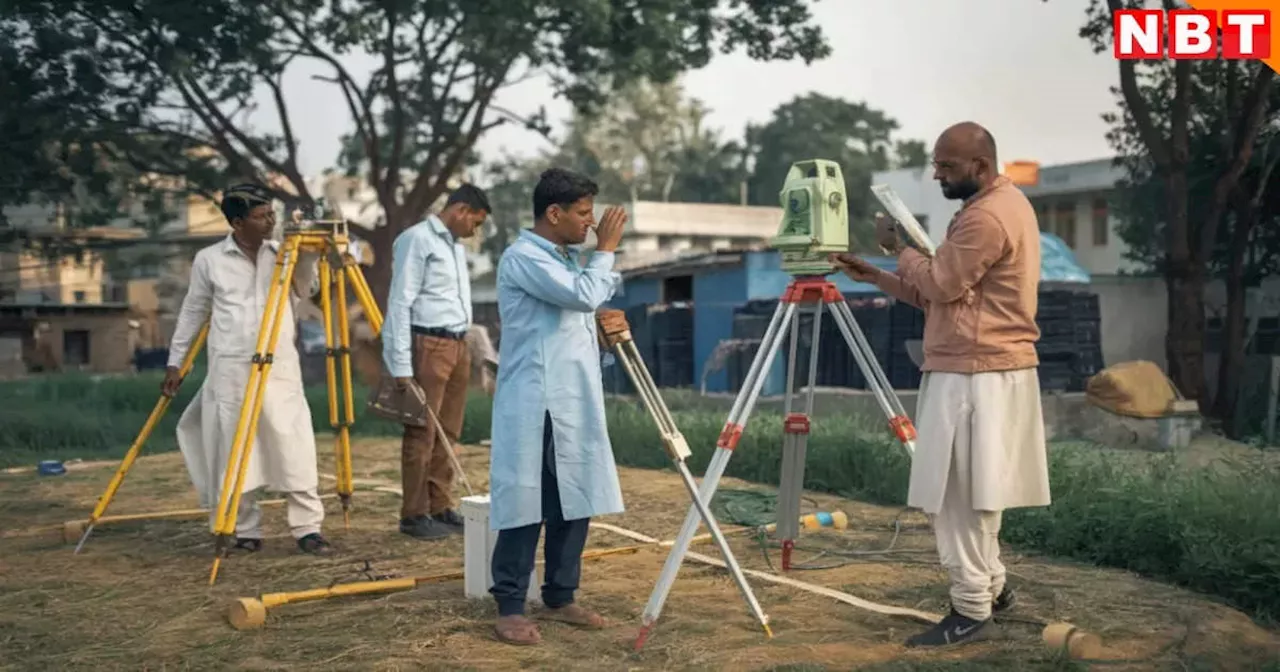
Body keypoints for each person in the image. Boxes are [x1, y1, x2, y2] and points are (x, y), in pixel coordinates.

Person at [831, 122, 1050, 647]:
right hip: (984, 368)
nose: (937, 175)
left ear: (979, 166)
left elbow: (941, 282)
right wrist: (878, 275)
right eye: (936, 164)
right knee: (978, 492)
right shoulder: (998, 207)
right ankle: (990, 588)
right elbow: (943, 297)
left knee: (957, 495)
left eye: (946, 167)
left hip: (973, 373)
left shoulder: (988, 217)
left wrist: (898, 247)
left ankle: (970, 606)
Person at [487, 168, 629, 646]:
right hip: (535, 402)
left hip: (572, 400)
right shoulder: (524, 257)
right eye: (585, 212)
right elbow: (585, 294)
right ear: (555, 213)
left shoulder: (566, 259)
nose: (592, 224)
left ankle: (561, 594)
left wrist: (603, 340)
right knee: (528, 502)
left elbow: (579, 314)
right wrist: (606, 249)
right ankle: (509, 603)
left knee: (575, 498)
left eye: (593, 215)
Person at [164, 183, 333, 556]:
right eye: (261, 216)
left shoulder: (283, 253)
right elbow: (193, 310)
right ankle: (244, 529)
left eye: (271, 213)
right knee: (234, 449)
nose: (271, 221)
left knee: (294, 446)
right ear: (238, 222)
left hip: (280, 369)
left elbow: (307, 291)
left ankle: (307, 529)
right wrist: (176, 361)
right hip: (231, 370)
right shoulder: (209, 259)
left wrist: (306, 255)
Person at [382, 184, 491, 540]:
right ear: (460, 210)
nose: (475, 231)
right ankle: (413, 515)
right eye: (475, 222)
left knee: (449, 430)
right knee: (422, 431)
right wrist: (400, 367)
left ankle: (440, 506)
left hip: (457, 344)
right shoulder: (417, 240)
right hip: (427, 343)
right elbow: (400, 303)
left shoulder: (455, 248)